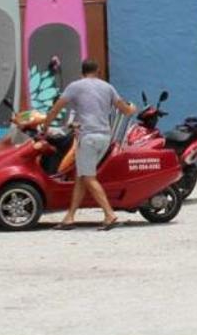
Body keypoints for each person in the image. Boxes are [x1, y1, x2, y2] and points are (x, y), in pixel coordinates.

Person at [41, 58, 137, 230]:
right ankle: (70, 217)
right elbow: (125, 109)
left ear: (82, 72)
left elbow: (57, 108)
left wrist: (46, 125)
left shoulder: (75, 86)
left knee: (88, 177)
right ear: (98, 71)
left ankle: (109, 215)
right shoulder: (108, 87)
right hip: (104, 137)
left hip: (89, 137)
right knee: (81, 176)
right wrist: (133, 109)